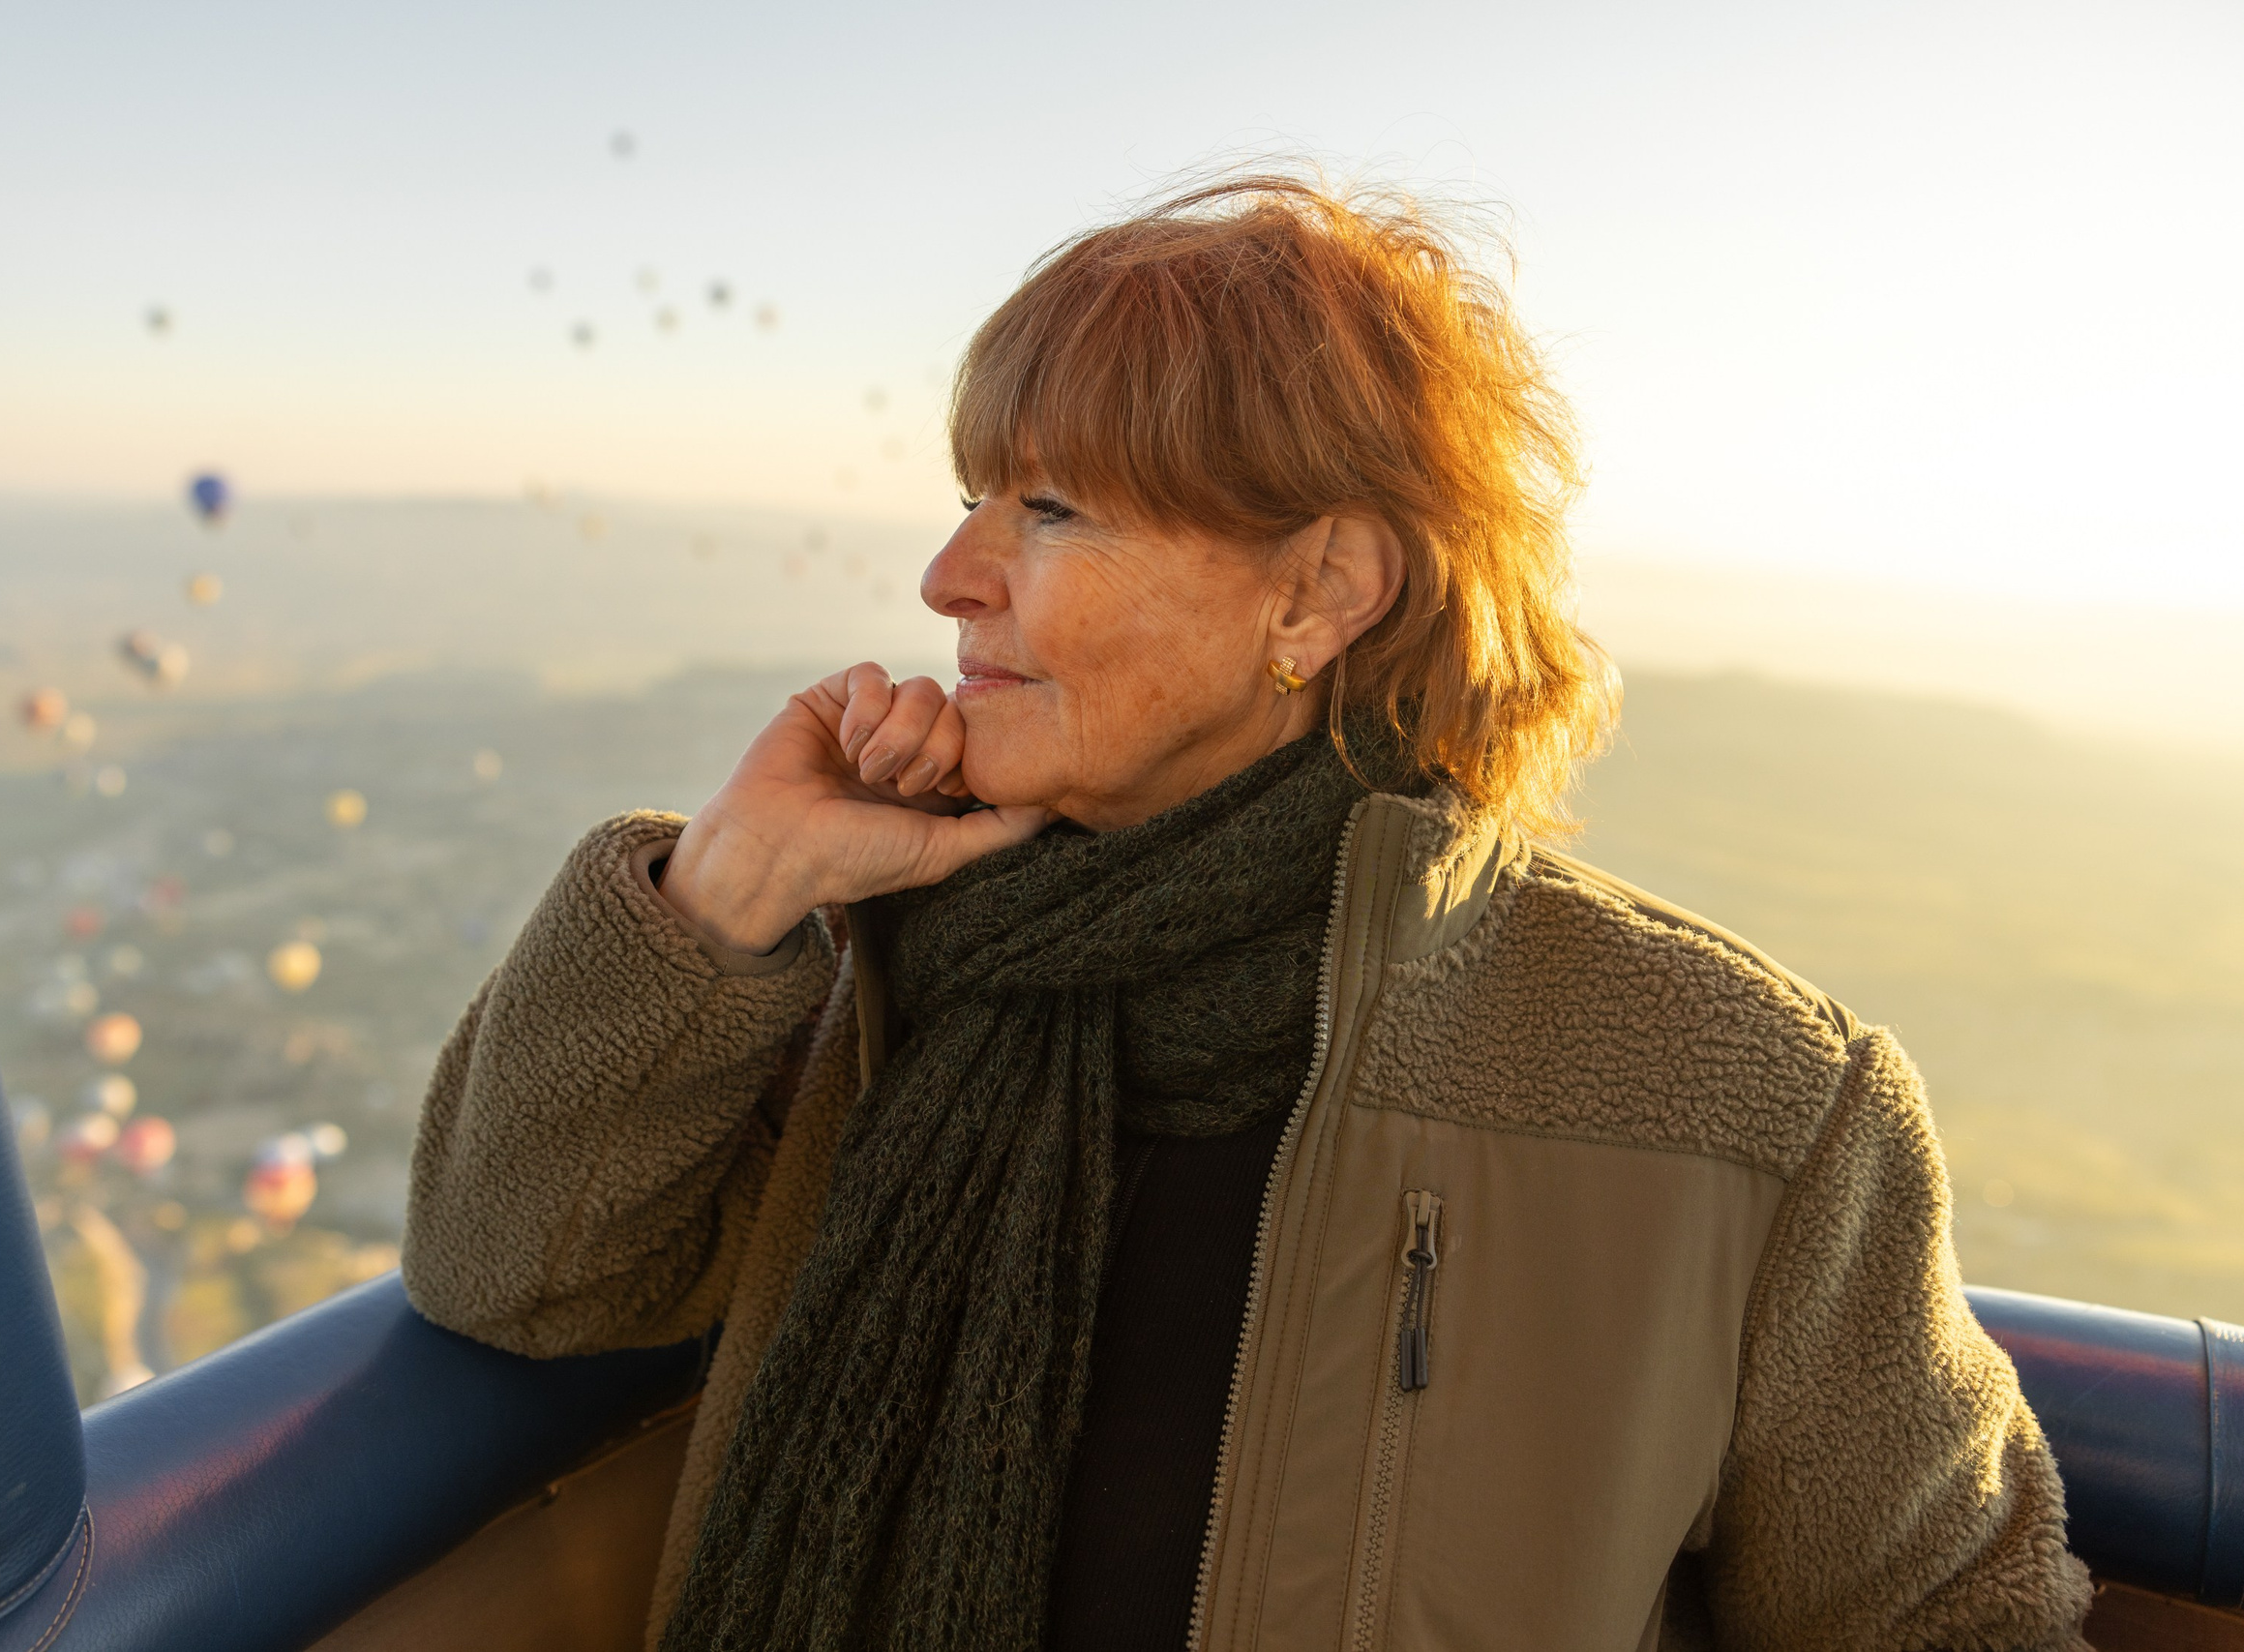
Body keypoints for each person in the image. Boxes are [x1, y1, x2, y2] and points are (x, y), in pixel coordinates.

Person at [404, 174, 2092, 1652]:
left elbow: (1949, 1624)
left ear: (1318, 593)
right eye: (978, 493)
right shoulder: (882, 973)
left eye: (1050, 509)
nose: (948, 577)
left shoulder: (1747, 1099)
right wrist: (732, 890)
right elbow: (516, 1283)